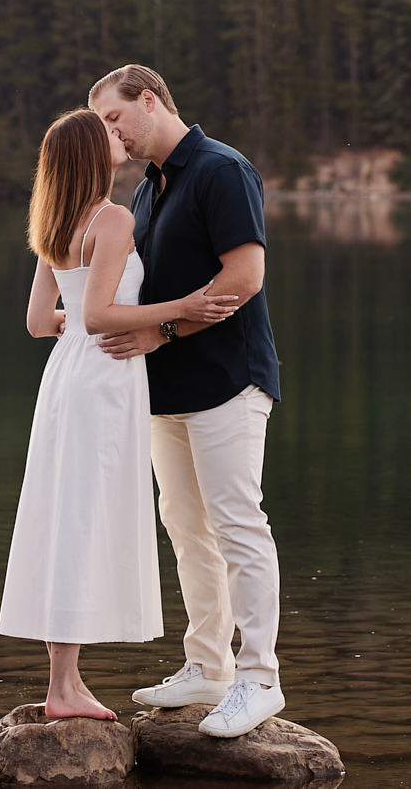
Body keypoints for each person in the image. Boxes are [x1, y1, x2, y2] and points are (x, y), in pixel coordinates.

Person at [0, 107, 241, 718]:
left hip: (67, 379)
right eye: (106, 130)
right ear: (89, 152)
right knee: (83, 518)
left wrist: (81, 329)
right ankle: (63, 688)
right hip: (104, 380)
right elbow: (100, 317)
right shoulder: (110, 218)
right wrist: (178, 306)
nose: (119, 134)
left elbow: (37, 324)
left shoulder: (54, 222)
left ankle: (66, 681)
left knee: (67, 515)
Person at [87, 66, 287, 739]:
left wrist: (163, 328)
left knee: (237, 525)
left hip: (229, 379)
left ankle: (260, 677)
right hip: (166, 390)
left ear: (150, 100)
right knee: (187, 527)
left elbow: (245, 275)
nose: (112, 136)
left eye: (116, 119)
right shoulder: (147, 189)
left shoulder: (220, 168)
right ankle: (208, 665)